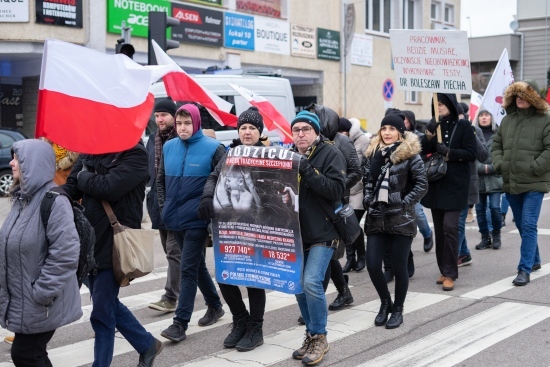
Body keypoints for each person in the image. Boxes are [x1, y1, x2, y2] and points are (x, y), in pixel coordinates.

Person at [63, 140, 163, 367]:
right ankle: (147, 344)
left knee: (101, 311)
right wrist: (55, 194)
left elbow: (110, 188)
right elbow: (73, 184)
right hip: (89, 241)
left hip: (116, 245)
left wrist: (84, 178)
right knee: (106, 303)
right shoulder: (91, 148)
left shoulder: (135, 154)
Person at [0, 139, 82, 367]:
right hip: (24, 297)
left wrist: (42, 292)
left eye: (17, 158)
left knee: (26, 354)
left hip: (41, 300)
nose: (11, 163)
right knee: (30, 355)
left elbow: (66, 253)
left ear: (32, 163)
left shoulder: (54, 201)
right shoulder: (22, 199)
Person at [199, 107, 267, 352]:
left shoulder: (269, 155)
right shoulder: (230, 154)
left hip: (256, 226)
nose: (247, 132)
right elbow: (213, 178)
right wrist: (207, 197)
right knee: (226, 275)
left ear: (260, 131)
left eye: (252, 128)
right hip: (229, 228)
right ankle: (240, 320)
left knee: (253, 279)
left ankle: (256, 328)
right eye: (243, 128)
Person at [157, 103, 227, 342]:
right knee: (195, 265)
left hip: (197, 219)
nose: (182, 128)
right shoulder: (169, 147)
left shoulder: (214, 148)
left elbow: (224, 182)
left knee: (187, 269)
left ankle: (180, 323)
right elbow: (160, 181)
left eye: (187, 123)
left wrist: (209, 216)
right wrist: (163, 207)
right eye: (179, 123)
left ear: (196, 123)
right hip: (173, 219)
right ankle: (215, 305)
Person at [288, 110, 345, 366]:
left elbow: (336, 190)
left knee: (311, 282)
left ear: (316, 132)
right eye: (296, 129)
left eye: (305, 129)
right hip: (297, 233)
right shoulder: (288, 154)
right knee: (298, 285)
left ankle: (321, 336)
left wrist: (307, 169)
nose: (300, 134)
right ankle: (311, 335)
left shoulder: (330, 153)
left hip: (324, 231)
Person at [363, 114, 427, 329]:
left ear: (400, 131)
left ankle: (398, 310)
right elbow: (368, 181)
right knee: (372, 265)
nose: (387, 132)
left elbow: (421, 185)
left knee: (399, 267)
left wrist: (402, 201)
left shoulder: (411, 155)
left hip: (400, 217)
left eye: (392, 128)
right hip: (376, 216)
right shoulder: (374, 154)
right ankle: (385, 303)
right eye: (384, 128)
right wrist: (367, 198)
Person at [492, 80, 550, 286]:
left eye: (524, 96)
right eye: (517, 96)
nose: (520, 99)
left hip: (535, 182)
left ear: (533, 99)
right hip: (511, 181)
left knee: (527, 224)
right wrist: (500, 163)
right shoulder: (508, 121)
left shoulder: (545, 119)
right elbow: (496, 144)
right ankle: (534, 260)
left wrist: (535, 167)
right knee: (523, 226)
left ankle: (524, 269)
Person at [421, 93, 476, 291]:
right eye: (437, 104)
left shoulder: (463, 126)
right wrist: (428, 133)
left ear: (451, 105)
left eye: (443, 104)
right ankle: (443, 270)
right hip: (437, 185)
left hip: (456, 186)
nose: (440, 107)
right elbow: (422, 149)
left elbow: (472, 153)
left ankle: (451, 273)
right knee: (440, 231)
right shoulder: (433, 125)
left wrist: (449, 153)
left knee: (450, 228)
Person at [146, 98, 181, 313]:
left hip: (177, 203)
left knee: (174, 252)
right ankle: (208, 296)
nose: (159, 119)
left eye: (164, 115)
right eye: (157, 115)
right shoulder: (152, 139)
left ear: (174, 117)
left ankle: (170, 297)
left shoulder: (180, 139)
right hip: (157, 204)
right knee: (178, 254)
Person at [340, 117, 370, 273]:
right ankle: (350, 258)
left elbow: (368, 164)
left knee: (353, 224)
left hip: (359, 190)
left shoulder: (363, 141)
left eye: (342, 131)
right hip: (345, 191)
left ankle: (361, 256)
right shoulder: (339, 142)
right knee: (347, 225)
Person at [457, 117, 488, 266]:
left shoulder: (475, 131)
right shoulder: (443, 130)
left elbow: (483, 155)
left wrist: (471, 132)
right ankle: (464, 254)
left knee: (457, 223)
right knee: (455, 223)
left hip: (468, 184)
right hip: (449, 184)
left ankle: (452, 261)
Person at [475, 109, 503, 250]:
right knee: (479, 209)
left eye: (487, 115)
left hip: (495, 178)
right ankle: (485, 237)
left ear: (492, 117)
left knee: (495, 207)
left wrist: (491, 168)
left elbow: (503, 155)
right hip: (478, 179)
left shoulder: (499, 134)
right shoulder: (472, 135)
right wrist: (481, 168)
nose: (484, 118)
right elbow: (471, 156)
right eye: (481, 115)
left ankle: (496, 234)